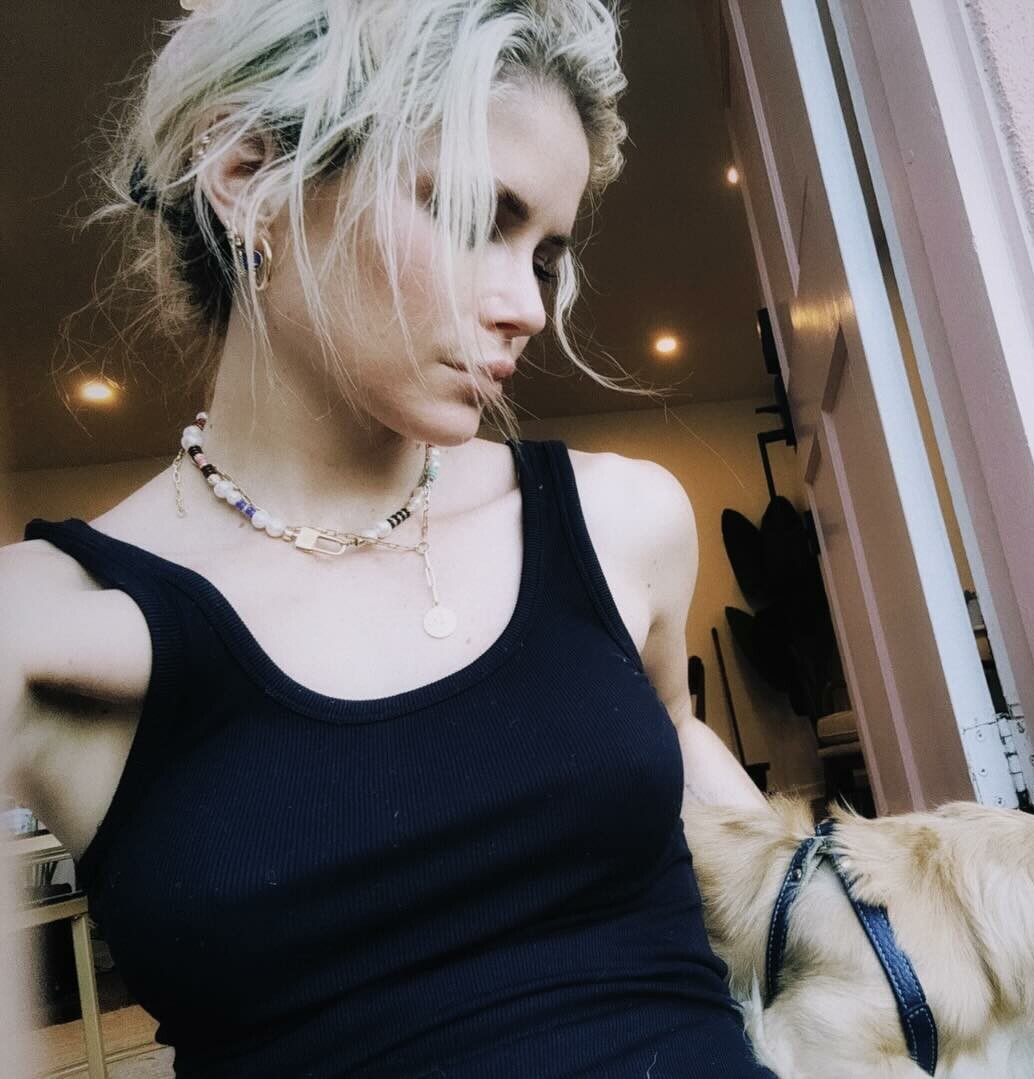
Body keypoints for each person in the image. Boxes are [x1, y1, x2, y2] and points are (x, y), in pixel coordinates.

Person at [0, 1, 779, 1075]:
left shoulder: (619, 520)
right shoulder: (39, 628)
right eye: (471, 214)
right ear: (249, 175)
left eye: (544, 254)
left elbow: (679, 744)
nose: (528, 305)